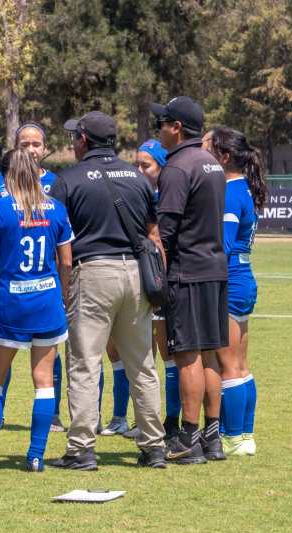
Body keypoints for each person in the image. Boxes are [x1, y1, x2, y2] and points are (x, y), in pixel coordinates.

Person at [50, 110, 168, 470]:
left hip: (92, 272)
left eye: (75, 137)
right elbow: (153, 235)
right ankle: (154, 447)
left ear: (84, 140)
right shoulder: (137, 177)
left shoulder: (67, 180)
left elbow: (62, 245)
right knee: (143, 365)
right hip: (134, 272)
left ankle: (82, 449)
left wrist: (63, 287)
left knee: (85, 364)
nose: (73, 143)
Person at [0, 150, 73, 472]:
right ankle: (36, 455)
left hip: (10, 303)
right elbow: (67, 261)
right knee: (44, 382)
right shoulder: (57, 210)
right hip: (47, 302)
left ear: (7, 177)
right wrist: (64, 293)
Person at [151, 96, 229, 464]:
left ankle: (187, 438)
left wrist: (154, 275)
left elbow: (164, 232)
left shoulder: (178, 167)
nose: (159, 131)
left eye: (161, 124)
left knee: (186, 356)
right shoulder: (212, 163)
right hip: (215, 267)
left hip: (186, 271)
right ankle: (212, 438)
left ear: (176, 127)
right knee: (212, 353)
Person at [0, 123, 67, 433]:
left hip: (13, 295)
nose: (32, 149)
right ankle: (35, 450)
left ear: (44, 148)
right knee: (40, 373)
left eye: (36, 143)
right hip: (44, 294)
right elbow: (66, 258)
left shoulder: (56, 185)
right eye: (25, 144)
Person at [100, 139, 176, 440]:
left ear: (161, 167)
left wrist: (162, 284)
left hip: (156, 283)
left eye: (146, 165)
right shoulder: (137, 191)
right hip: (131, 281)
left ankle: (169, 423)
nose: (139, 170)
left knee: (161, 355)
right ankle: (123, 417)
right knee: (125, 353)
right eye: (137, 164)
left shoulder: (166, 197)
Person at [207, 126, 265, 456]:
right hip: (244, 279)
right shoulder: (244, 188)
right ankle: (245, 437)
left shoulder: (230, 192)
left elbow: (224, 244)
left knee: (228, 365)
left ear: (223, 157)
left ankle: (231, 438)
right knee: (241, 365)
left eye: (207, 148)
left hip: (230, 281)